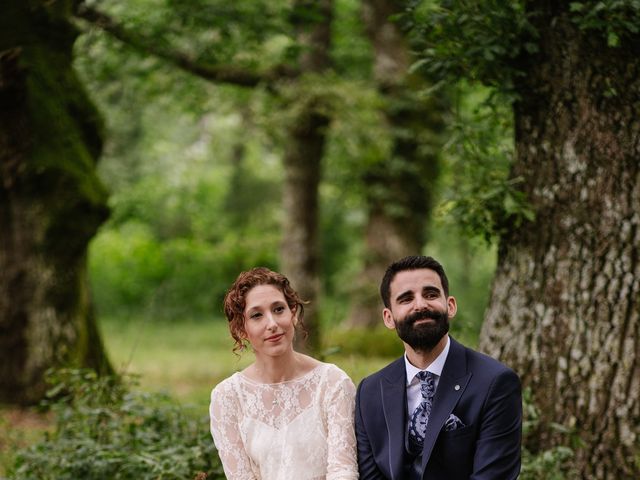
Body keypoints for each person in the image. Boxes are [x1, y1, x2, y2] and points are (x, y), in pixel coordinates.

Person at [355, 255, 522, 479]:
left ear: (450, 305)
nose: (420, 304)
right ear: (389, 318)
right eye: (406, 299)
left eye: (430, 294)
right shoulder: (370, 391)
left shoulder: (496, 383)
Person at [209, 267, 358, 480]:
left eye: (278, 309)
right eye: (257, 315)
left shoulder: (332, 383)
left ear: (293, 314)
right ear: (242, 330)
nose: (272, 324)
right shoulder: (228, 397)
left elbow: (343, 472)